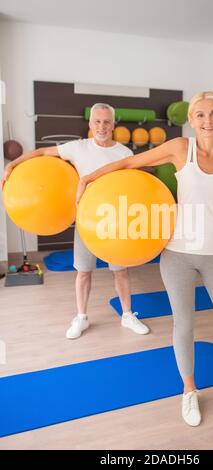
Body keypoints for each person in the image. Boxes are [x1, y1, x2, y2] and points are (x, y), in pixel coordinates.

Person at [76, 91, 213, 426]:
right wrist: (88, 177)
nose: (207, 121)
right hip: (178, 254)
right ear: (192, 119)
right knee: (183, 325)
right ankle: (189, 392)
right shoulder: (180, 148)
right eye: (200, 115)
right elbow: (129, 163)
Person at [1, 103, 150, 339]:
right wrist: (12, 164)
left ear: (113, 124)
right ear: (90, 124)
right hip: (86, 221)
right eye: (97, 121)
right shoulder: (78, 148)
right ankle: (81, 317)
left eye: (106, 122)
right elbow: (41, 153)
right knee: (83, 271)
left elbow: (133, 186)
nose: (102, 126)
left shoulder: (124, 153)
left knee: (120, 272)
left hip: (115, 222)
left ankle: (127, 314)